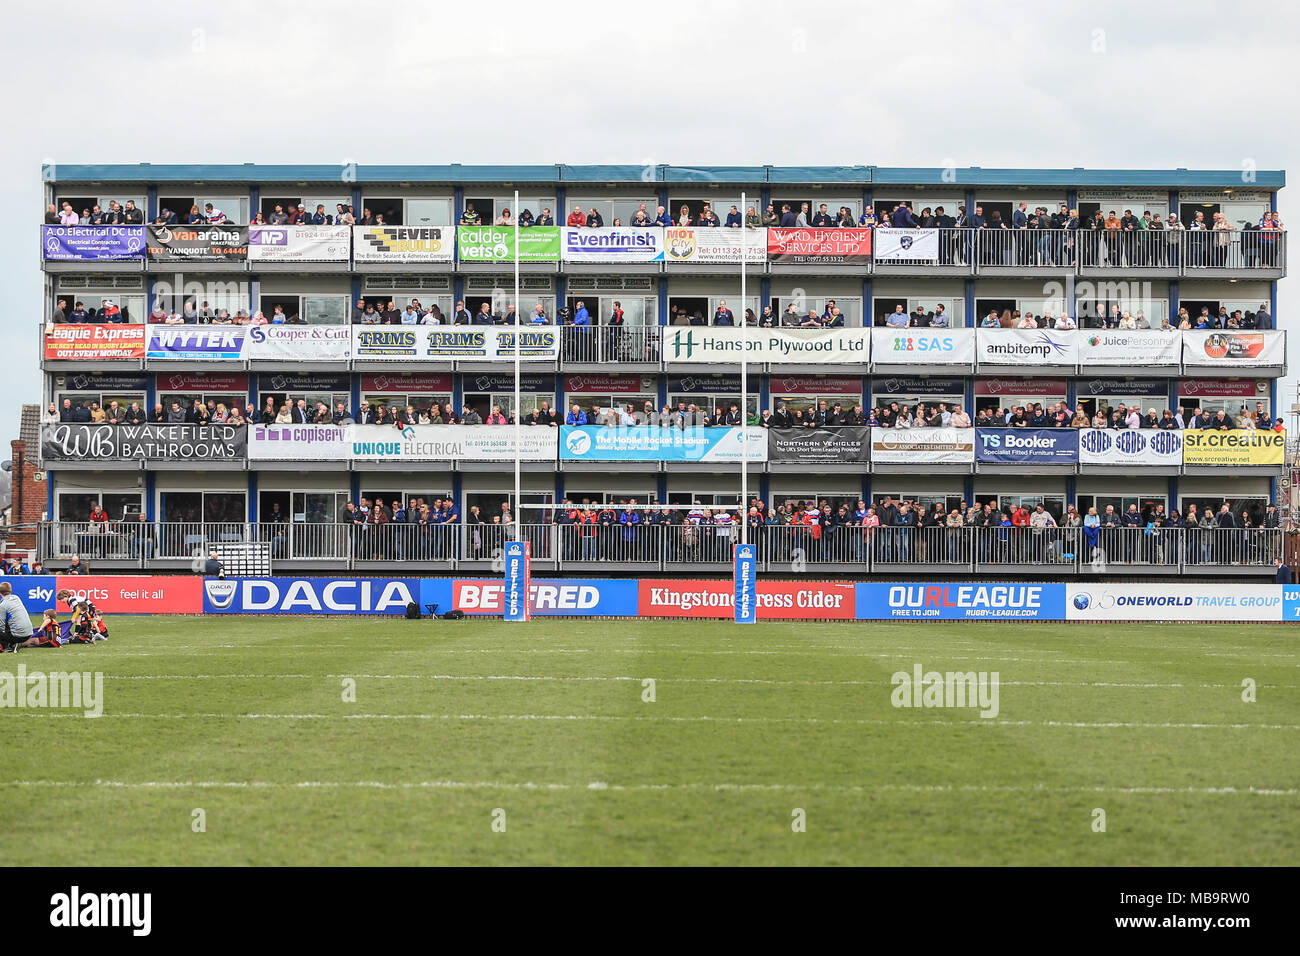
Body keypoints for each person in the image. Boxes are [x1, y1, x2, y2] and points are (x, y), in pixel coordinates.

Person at [0, 581, 34, 652]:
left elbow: (1, 625)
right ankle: (13, 644)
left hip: (18, 636)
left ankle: (7, 646)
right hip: (29, 632)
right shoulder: (16, 598)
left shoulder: (3, 605)